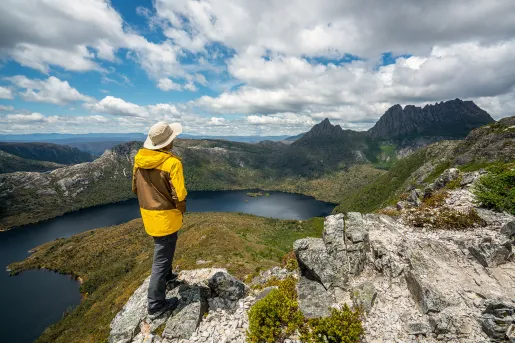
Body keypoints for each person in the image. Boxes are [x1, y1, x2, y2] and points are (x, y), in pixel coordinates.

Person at [132, 121, 187, 319]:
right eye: (172, 138)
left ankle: (169, 277)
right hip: (167, 216)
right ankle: (156, 305)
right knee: (161, 258)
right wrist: (180, 210)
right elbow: (180, 194)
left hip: (148, 214)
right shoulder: (172, 163)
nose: (175, 140)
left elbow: (135, 188)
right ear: (166, 142)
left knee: (166, 248)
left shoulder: (139, 159)